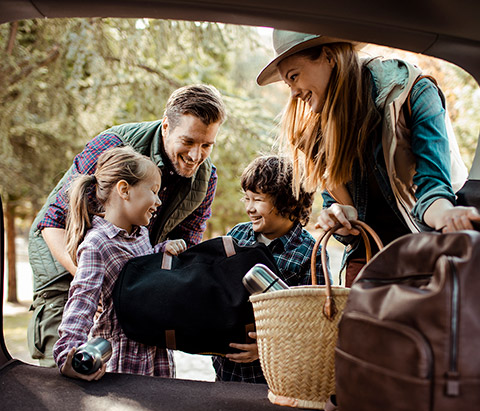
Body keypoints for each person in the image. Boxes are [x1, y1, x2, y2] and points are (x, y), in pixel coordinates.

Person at [257, 29, 480, 286]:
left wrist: (448, 216)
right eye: (288, 84)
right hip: (368, 266)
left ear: (329, 57)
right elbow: (345, 219)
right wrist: (338, 218)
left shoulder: (413, 92)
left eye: (294, 77)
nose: (294, 93)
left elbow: (433, 190)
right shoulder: (316, 136)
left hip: (425, 254)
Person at [28, 84, 226, 366]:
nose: (196, 155)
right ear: (166, 126)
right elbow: (52, 222)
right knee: (64, 375)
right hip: (67, 266)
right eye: (189, 142)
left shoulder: (206, 180)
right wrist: (95, 284)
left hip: (129, 280)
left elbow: (184, 252)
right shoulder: (113, 144)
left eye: (207, 145)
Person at [53, 145, 187, 381]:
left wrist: (160, 251)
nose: (157, 201)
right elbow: (81, 302)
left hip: (154, 353)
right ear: (124, 190)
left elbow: (138, 271)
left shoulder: (140, 234)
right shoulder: (97, 244)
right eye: (153, 191)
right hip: (123, 359)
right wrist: (68, 355)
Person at [212, 155, 329, 383]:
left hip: (274, 376)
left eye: (258, 199)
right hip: (226, 371)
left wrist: (265, 349)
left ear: (290, 202)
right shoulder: (237, 235)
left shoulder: (310, 253)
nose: (249, 208)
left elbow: (314, 323)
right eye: (246, 198)